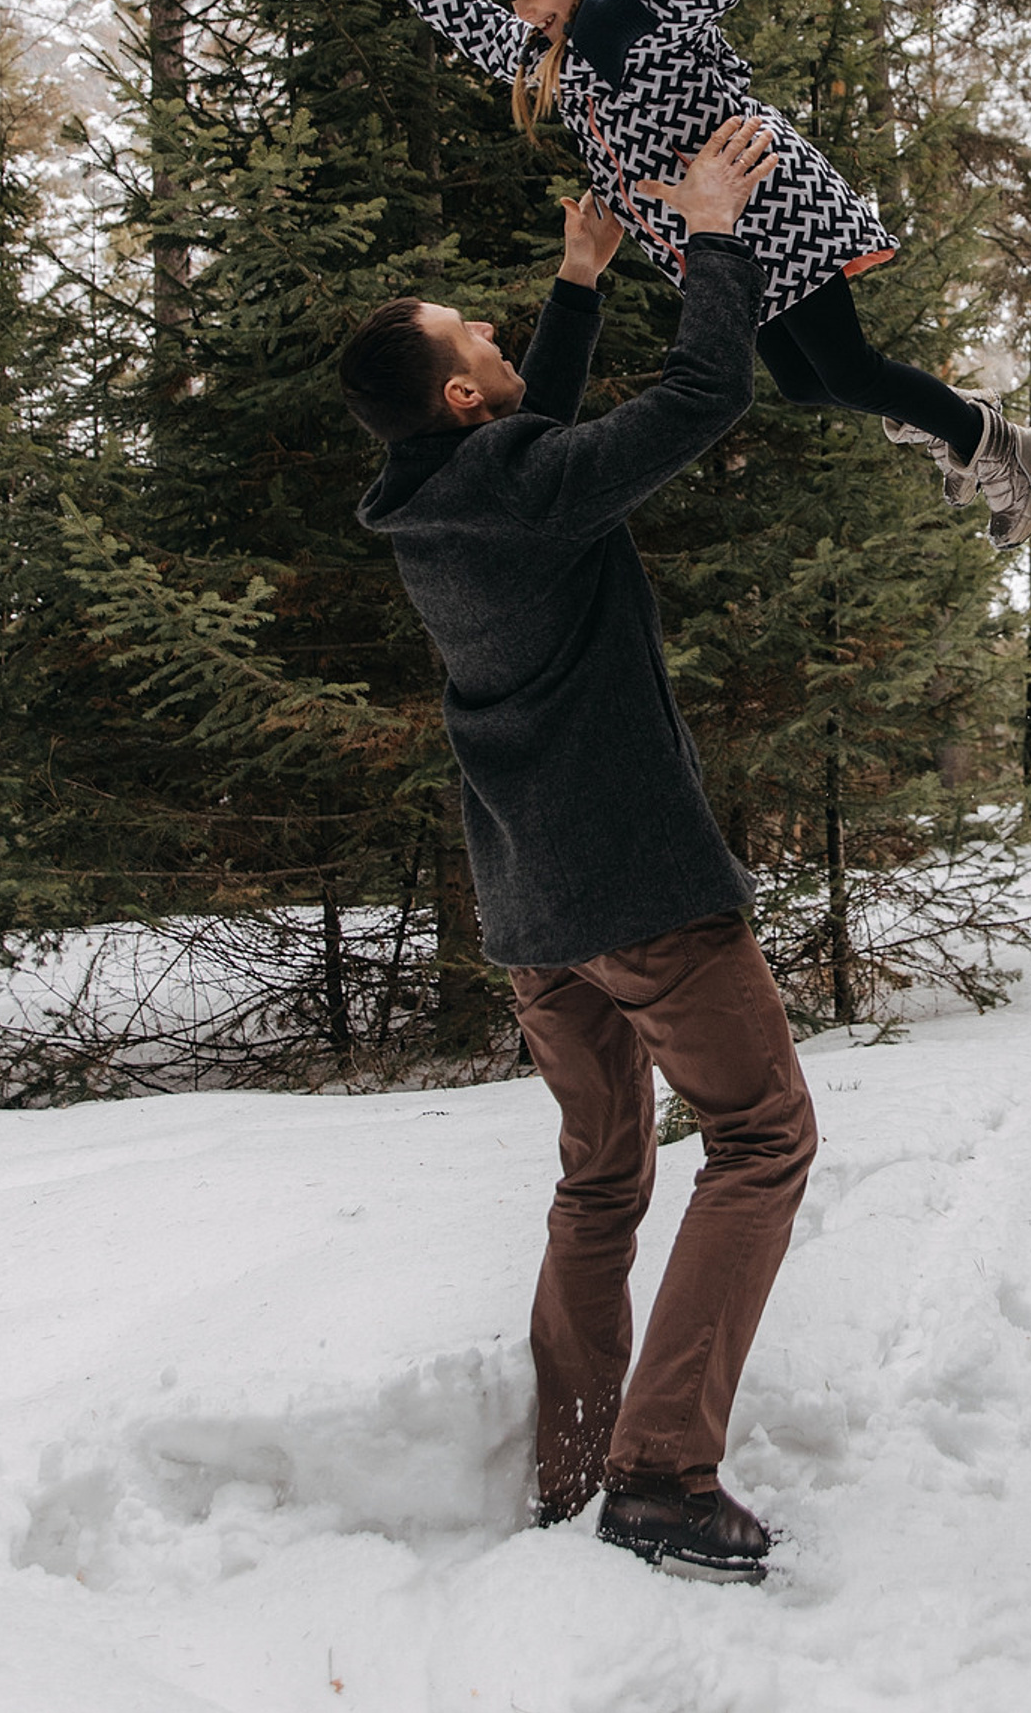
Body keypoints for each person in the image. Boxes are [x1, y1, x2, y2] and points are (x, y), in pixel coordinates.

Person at [340, 116, 811, 1584]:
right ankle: (660, 1475)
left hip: (534, 914)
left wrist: (579, 278)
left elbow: (525, 432)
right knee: (761, 1137)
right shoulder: (520, 484)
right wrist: (718, 228)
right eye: (471, 331)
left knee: (603, 1180)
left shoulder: (438, 499)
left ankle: (573, 1471)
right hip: (641, 895)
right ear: (464, 393)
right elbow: (703, 391)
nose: (485, 330)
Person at [366, 0, 1031, 548]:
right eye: (514, 1)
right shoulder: (554, 46)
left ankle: (999, 444)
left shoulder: (641, 2)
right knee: (800, 380)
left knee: (850, 370)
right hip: (718, 235)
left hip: (765, 202)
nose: (525, 14)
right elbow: (495, 41)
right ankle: (952, 420)